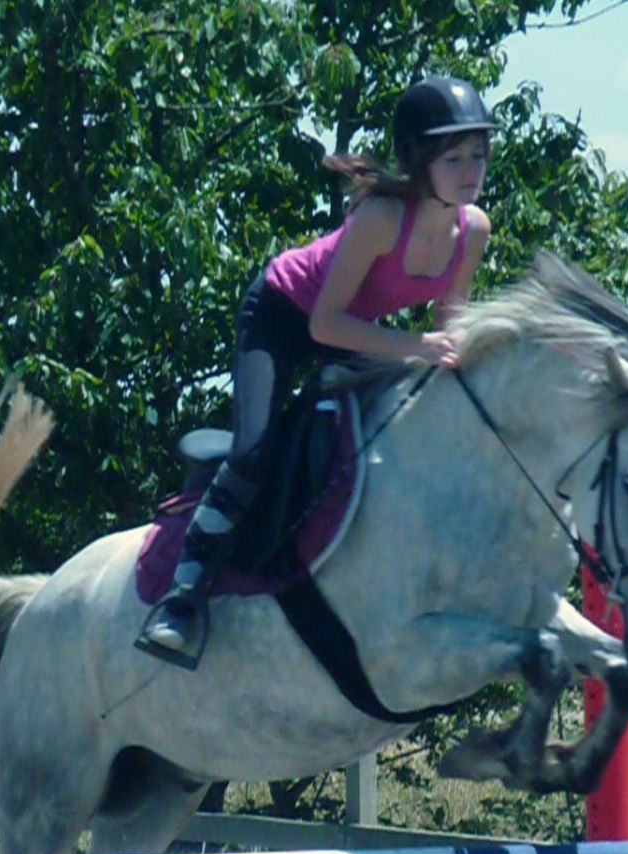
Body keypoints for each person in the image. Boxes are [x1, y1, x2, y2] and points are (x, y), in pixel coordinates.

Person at [138, 75, 494, 664]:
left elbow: (447, 327)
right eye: (453, 158)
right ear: (419, 160)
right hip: (283, 314)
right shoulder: (381, 217)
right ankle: (181, 597)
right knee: (254, 451)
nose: (470, 170)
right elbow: (325, 324)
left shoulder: (473, 229)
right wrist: (417, 347)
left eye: (477, 155)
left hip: (356, 330)